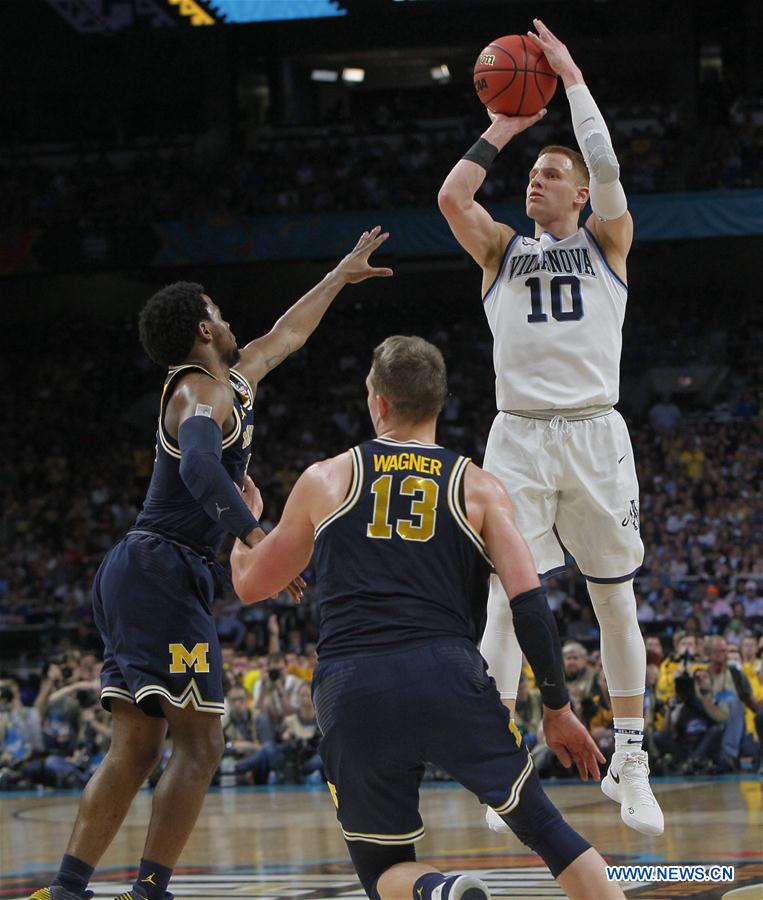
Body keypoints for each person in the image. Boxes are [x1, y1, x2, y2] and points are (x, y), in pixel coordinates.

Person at [30, 227, 392, 900]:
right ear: (203, 327)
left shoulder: (228, 381)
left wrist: (339, 275)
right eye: (222, 315)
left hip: (144, 570)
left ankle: (68, 890)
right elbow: (198, 463)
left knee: (138, 748)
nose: (232, 323)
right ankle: (148, 890)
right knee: (201, 745)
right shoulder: (199, 393)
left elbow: (287, 334)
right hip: (161, 568)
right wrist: (259, 539)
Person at [231, 336, 623, 900]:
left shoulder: (326, 479)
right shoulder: (479, 487)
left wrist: (243, 527)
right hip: (447, 676)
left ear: (380, 403)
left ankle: (438, 892)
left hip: (352, 687)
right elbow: (528, 603)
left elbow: (250, 585)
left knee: (383, 869)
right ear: (436, 403)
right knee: (548, 832)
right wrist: (558, 708)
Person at [437, 19, 662, 835]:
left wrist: (567, 78)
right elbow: (451, 198)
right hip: (518, 438)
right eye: (533, 172)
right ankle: (507, 769)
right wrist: (504, 125)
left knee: (614, 604)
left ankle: (630, 763)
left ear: (577, 194)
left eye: (551, 172)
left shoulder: (609, 240)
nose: (538, 179)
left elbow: (604, 165)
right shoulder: (500, 251)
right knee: (502, 604)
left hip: (596, 434)